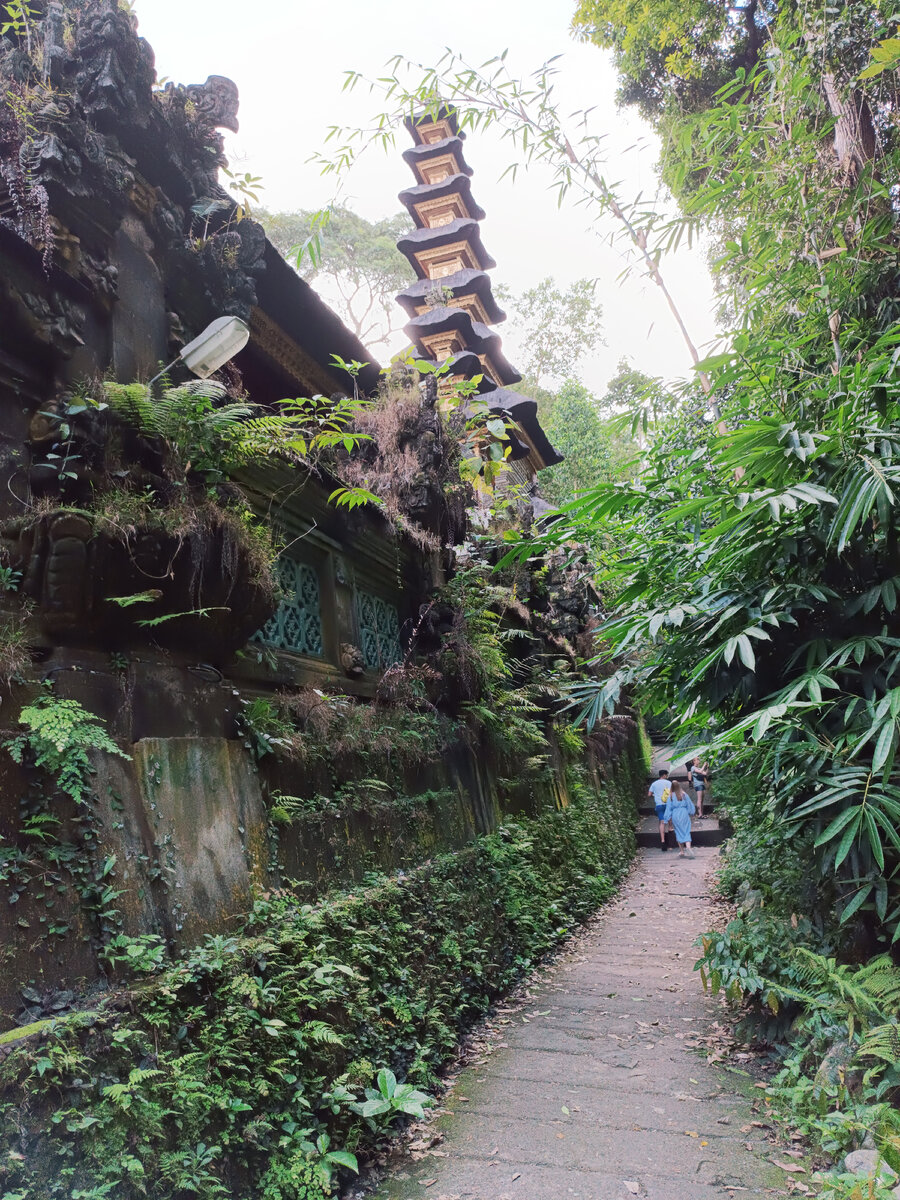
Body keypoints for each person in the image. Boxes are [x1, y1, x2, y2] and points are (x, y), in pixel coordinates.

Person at [664, 781, 696, 858]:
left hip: (675, 815)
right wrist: (691, 812)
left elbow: (668, 809)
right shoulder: (684, 794)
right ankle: (688, 847)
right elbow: (689, 804)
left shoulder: (671, 796)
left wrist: (667, 819)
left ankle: (682, 851)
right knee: (686, 831)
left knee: (678, 831)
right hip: (684, 813)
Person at [648, 769, 673, 851]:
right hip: (668, 804)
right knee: (669, 820)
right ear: (665, 775)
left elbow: (649, 794)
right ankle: (670, 838)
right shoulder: (669, 783)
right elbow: (672, 793)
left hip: (659, 805)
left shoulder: (654, 784)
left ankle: (663, 841)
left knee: (662, 822)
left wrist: (655, 795)